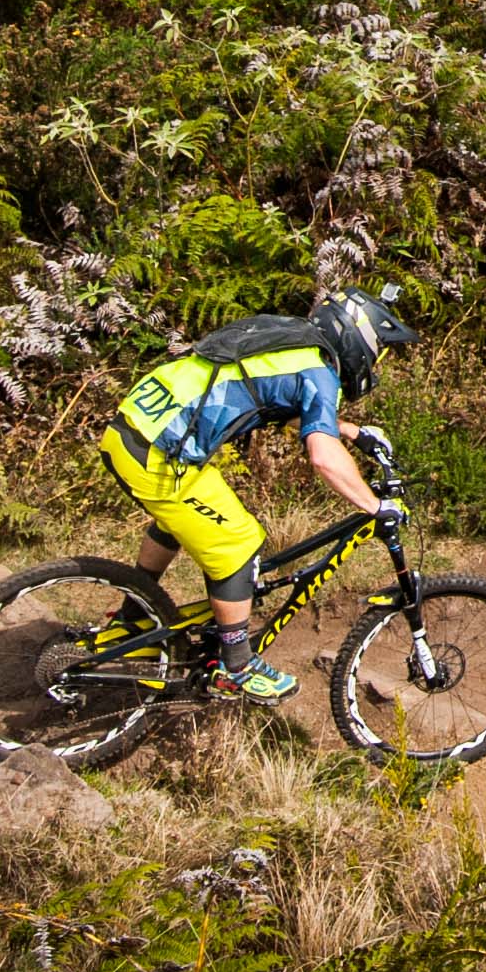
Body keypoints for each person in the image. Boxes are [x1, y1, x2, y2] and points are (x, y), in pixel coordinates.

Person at [98, 284, 415, 703]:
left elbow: (280, 402)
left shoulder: (293, 342)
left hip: (133, 431)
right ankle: (237, 667)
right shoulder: (320, 371)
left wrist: (353, 433)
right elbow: (321, 456)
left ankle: (133, 619)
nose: (375, 365)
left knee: (182, 518)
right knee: (239, 540)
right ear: (361, 340)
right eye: (379, 353)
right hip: (159, 453)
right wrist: (375, 506)